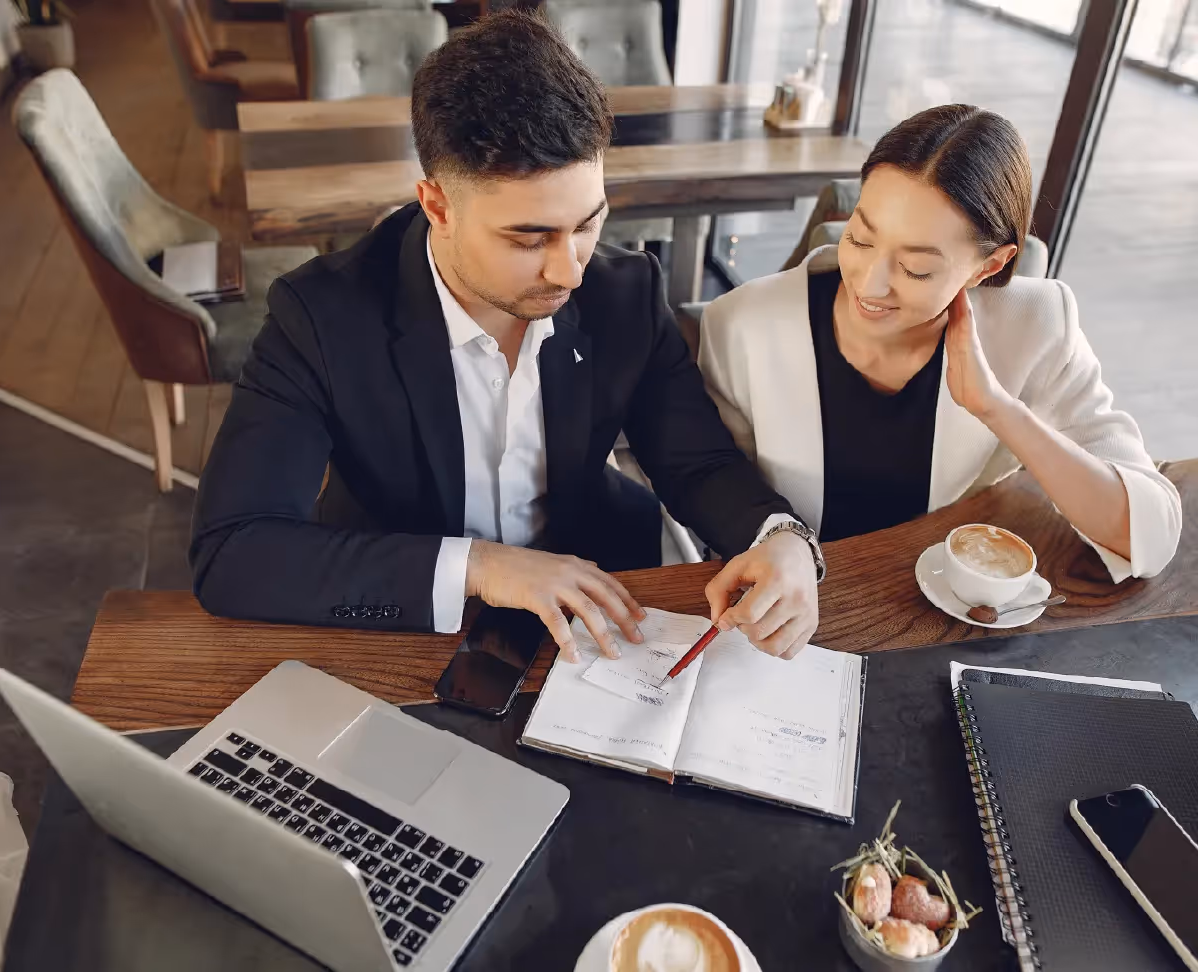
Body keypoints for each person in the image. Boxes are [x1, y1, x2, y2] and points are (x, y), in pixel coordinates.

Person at [190, 12, 822, 662]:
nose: (570, 270)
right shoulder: (321, 316)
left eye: (588, 224)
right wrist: (481, 567)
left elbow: (699, 462)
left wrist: (780, 536)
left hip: (598, 592)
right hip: (407, 612)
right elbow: (233, 550)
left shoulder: (624, 292)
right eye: (529, 239)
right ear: (437, 206)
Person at [699, 104, 1181, 581]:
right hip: (793, 596)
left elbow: (1150, 533)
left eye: (916, 268)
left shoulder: (1035, 324)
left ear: (989, 266)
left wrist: (998, 409)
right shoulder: (742, 325)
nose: (869, 284)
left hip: (944, 600)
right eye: (860, 239)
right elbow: (716, 489)